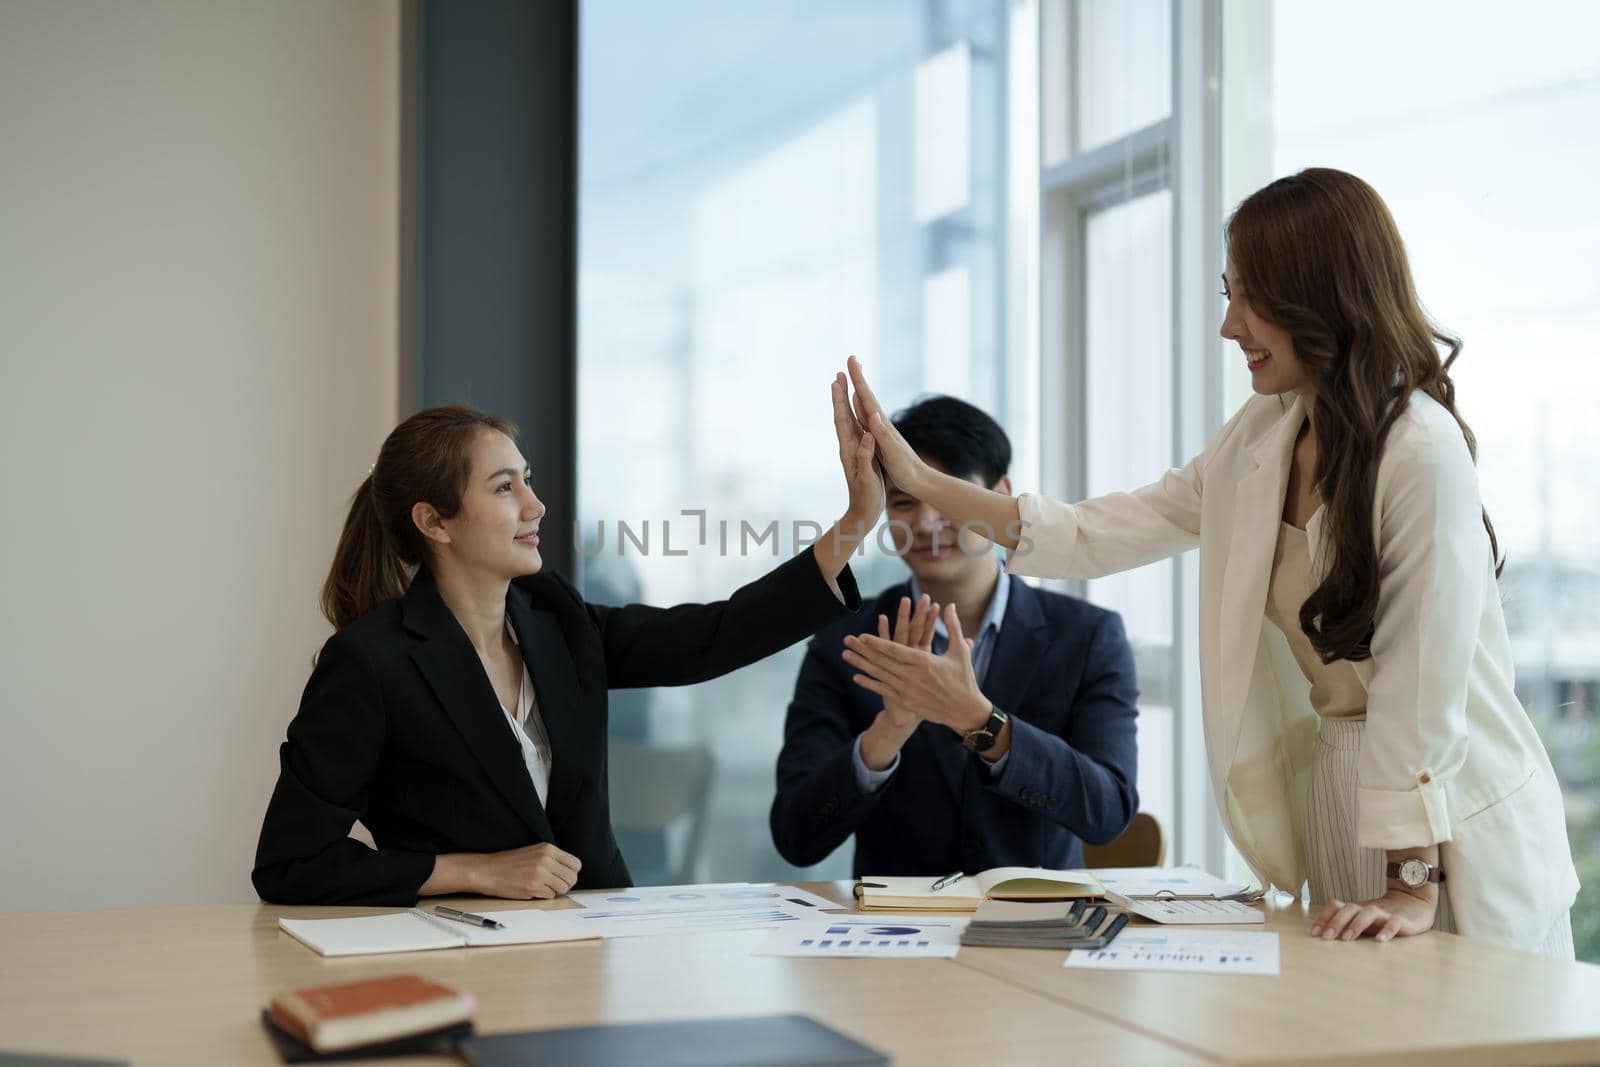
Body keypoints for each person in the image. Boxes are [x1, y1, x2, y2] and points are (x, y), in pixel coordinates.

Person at [839, 168, 1579, 958]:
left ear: (1319, 295)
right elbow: (1098, 530)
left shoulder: (1420, 451)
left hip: (1447, 816)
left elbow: (1419, 682)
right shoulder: (1261, 433)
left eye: (1249, 298)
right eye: (1229, 295)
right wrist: (919, 481)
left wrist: (1410, 877)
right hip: (1344, 786)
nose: (1230, 326)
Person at [252, 376, 881, 905]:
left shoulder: (559, 621)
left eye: (525, 480)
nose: (536, 505)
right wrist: (469, 870)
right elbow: (292, 861)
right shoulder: (370, 661)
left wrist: (855, 523)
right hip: (461, 954)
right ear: (434, 521)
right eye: (505, 487)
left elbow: (713, 636)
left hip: (596, 936)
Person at [769, 396, 1139, 878]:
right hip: (889, 937)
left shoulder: (1087, 637)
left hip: (1036, 934)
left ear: (1001, 496)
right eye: (903, 503)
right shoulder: (847, 643)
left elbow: (1108, 812)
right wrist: (886, 735)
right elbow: (796, 836)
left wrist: (981, 721)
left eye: (945, 499)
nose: (925, 523)